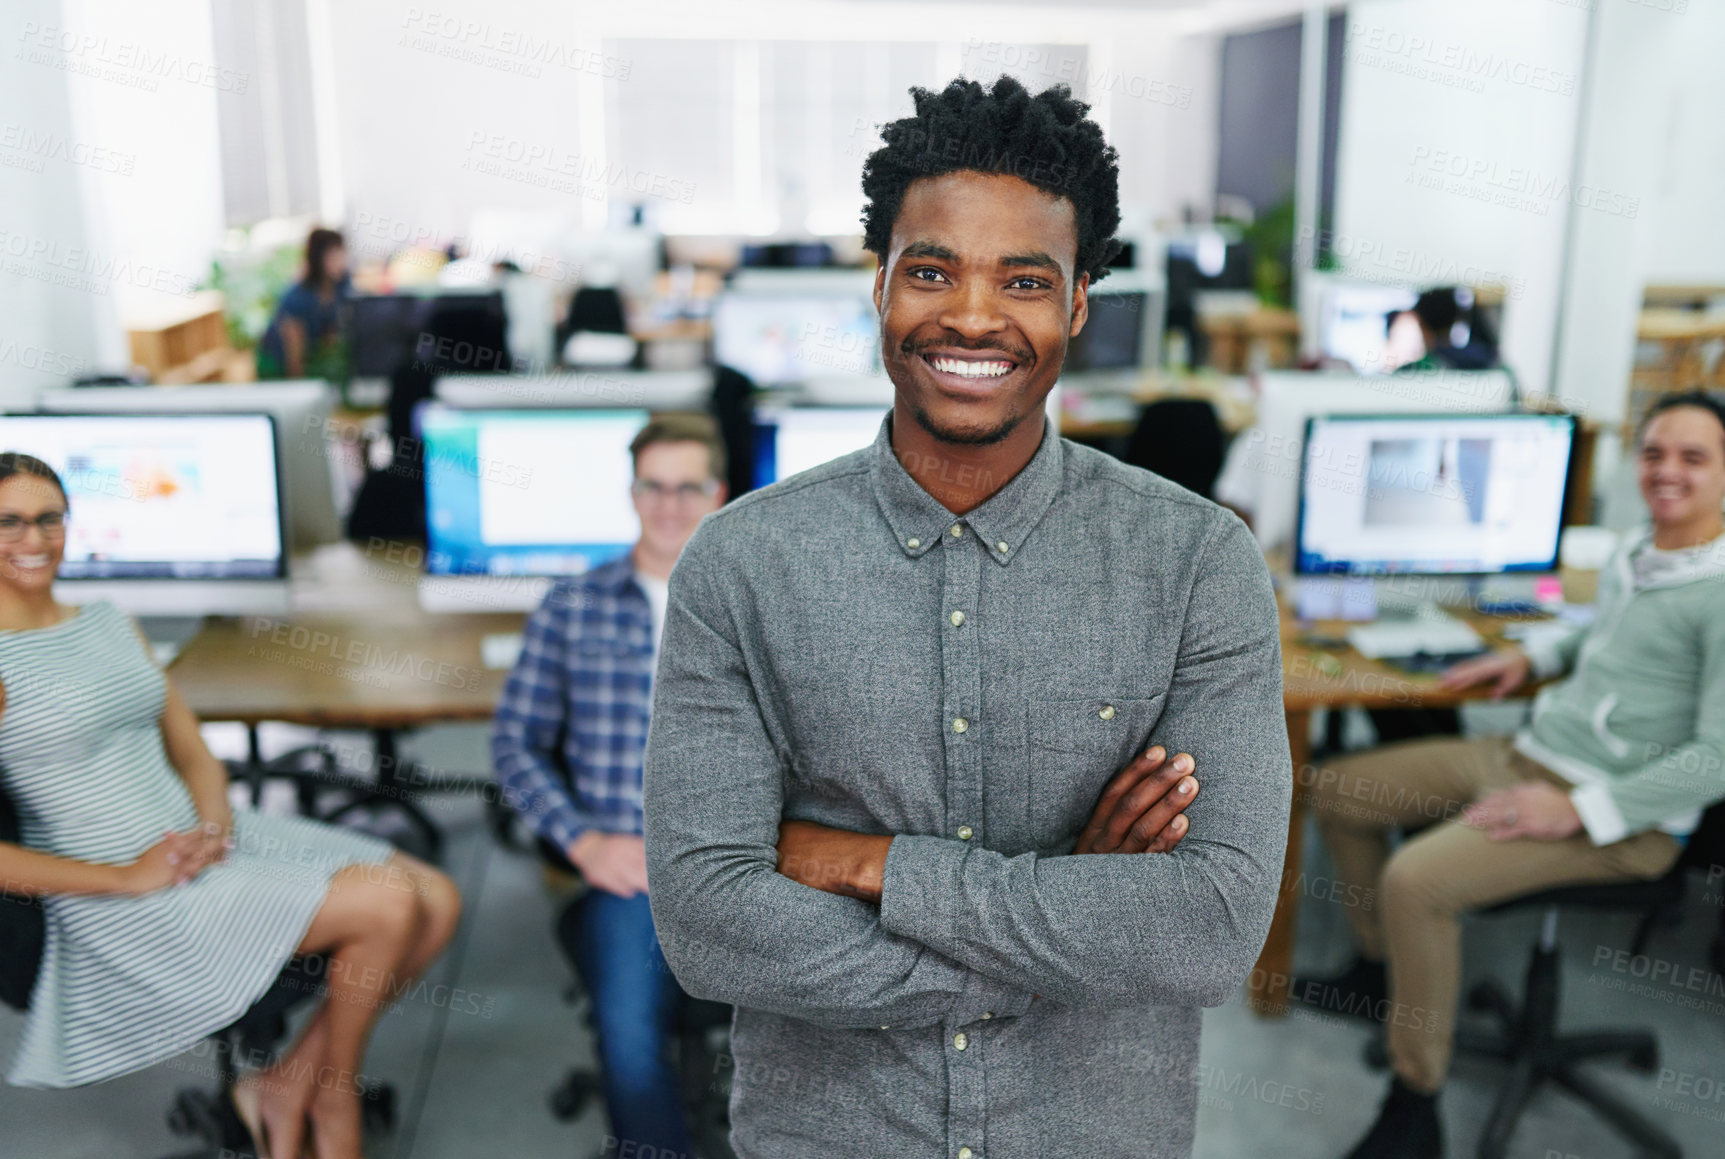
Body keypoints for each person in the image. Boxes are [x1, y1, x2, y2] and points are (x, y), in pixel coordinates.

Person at [642, 76, 1289, 1158]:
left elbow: (1209, 931)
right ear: (881, 285)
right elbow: (710, 924)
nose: (975, 317)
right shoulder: (742, 564)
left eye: (1024, 279)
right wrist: (1075, 918)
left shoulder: (1197, 564)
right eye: (933, 270)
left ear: (1079, 301)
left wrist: (872, 866)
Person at [1299, 390, 1725, 1159]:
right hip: (1529, 752)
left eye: (1693, 458)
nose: (1666, 471)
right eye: (1655, 451)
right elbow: (1605, 630)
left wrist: (1579, 811)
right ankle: (1380, 969)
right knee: (1336, 790)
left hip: (1619, 817)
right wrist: (1530, 657)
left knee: (1414, 879)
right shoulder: (1643, 549)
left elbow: (1717, 757)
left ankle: (1413, 1104)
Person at [0, 452, 460, 1159]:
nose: (33, 538)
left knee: (439, 895)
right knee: (390, 902)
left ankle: (288, 1081)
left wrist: (213, 825)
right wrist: (129, 877)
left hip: (199, 837)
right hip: (121, 883)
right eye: (10, 521)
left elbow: (192, 753)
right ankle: (332, 1096)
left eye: (48, 517)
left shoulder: (104, 620)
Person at [492, 413, 732, 1158]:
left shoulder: (758, 603)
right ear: (631, 493)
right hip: (628, 866)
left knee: (838, 1027)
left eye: (687, 486)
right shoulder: (573, 605)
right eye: (652, 487)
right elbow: (513, 743)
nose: (669, 504)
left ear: (717, 493)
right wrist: (582, 839)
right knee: (629, 1052)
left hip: (748, 858)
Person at [258, 227, 351, 380]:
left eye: (342, 253)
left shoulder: (340, 284)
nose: (341, 261)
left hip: (309, 356)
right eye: (334, 256)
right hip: (278, 364)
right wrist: (298, 384)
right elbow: (294, 355)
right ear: (318, 259)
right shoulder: (299, 296)